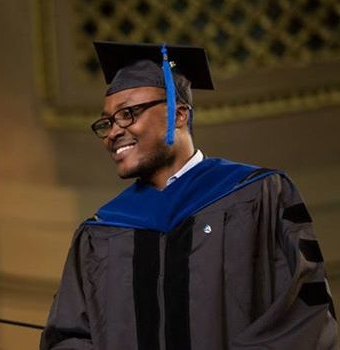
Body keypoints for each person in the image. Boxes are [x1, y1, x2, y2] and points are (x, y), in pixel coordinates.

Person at [40, 42, 337, 349]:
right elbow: (67, 336)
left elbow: (303, 311)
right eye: (107, 122)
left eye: (128, 114)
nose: (114, 131)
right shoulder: (101, 232)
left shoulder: (257, 194)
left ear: (179, 114)